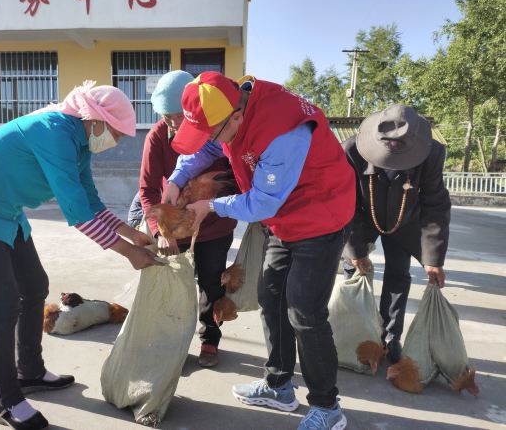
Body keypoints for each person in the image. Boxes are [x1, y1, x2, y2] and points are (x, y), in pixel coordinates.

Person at [0, 81, 162, 430]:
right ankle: (7, 401)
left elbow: (88, 198)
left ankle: (30, 372)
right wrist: (129, 252)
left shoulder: (78, 141)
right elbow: (77, 212)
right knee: (2, 304)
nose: (116, 141)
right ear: (95, 120)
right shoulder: (53, 131)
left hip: (5, 211)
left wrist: (132, 234)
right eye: (115, 132)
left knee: (34, 286)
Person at [164, 72, 355, 430]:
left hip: (321, 215)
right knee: (271, 297)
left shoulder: (283, 132)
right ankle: (279, 385)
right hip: (285, 217)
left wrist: (211, 206)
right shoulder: (228, 111)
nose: (210, 140)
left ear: (236, 116)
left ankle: (328, 407)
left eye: (212, 132)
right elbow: (207, 147)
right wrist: (176, 180)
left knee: (304, 310)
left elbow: (263, 202)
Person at [140, 70, 237, 367]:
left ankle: (210, 338)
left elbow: (237, 179)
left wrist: (215, 206)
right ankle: (173, 342)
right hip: (176, 227)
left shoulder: (218, 131)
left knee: (212, 283)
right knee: (173, 287)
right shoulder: (157, 136)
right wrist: (162, 231)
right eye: (165, 116)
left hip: (216, 224)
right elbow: (147, 190)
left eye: (177, 116)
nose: (171, 123)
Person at [341, 104, 451, 364]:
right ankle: (355, 334)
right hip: (361, 219)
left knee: (398, 275)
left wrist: (433, 259)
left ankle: (391, 338)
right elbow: (343, 203)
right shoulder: (351, 150)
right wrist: (355, 250)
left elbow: (435, 206)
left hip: (404, 219)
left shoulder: (432, 152)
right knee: (354, 272)